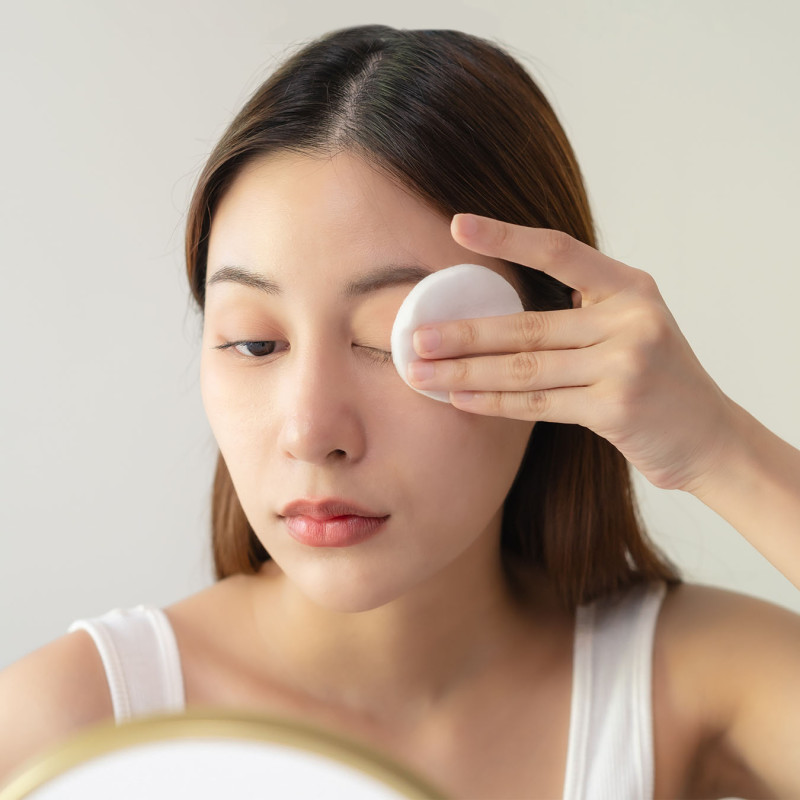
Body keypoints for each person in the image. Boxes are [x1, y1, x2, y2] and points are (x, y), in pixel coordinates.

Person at [1, 23, 799, 798]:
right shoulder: (73, 725)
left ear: (556, 339)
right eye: (254, 343)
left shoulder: (690, 686)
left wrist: (721, 449)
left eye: (391, 340)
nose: (311, 432)